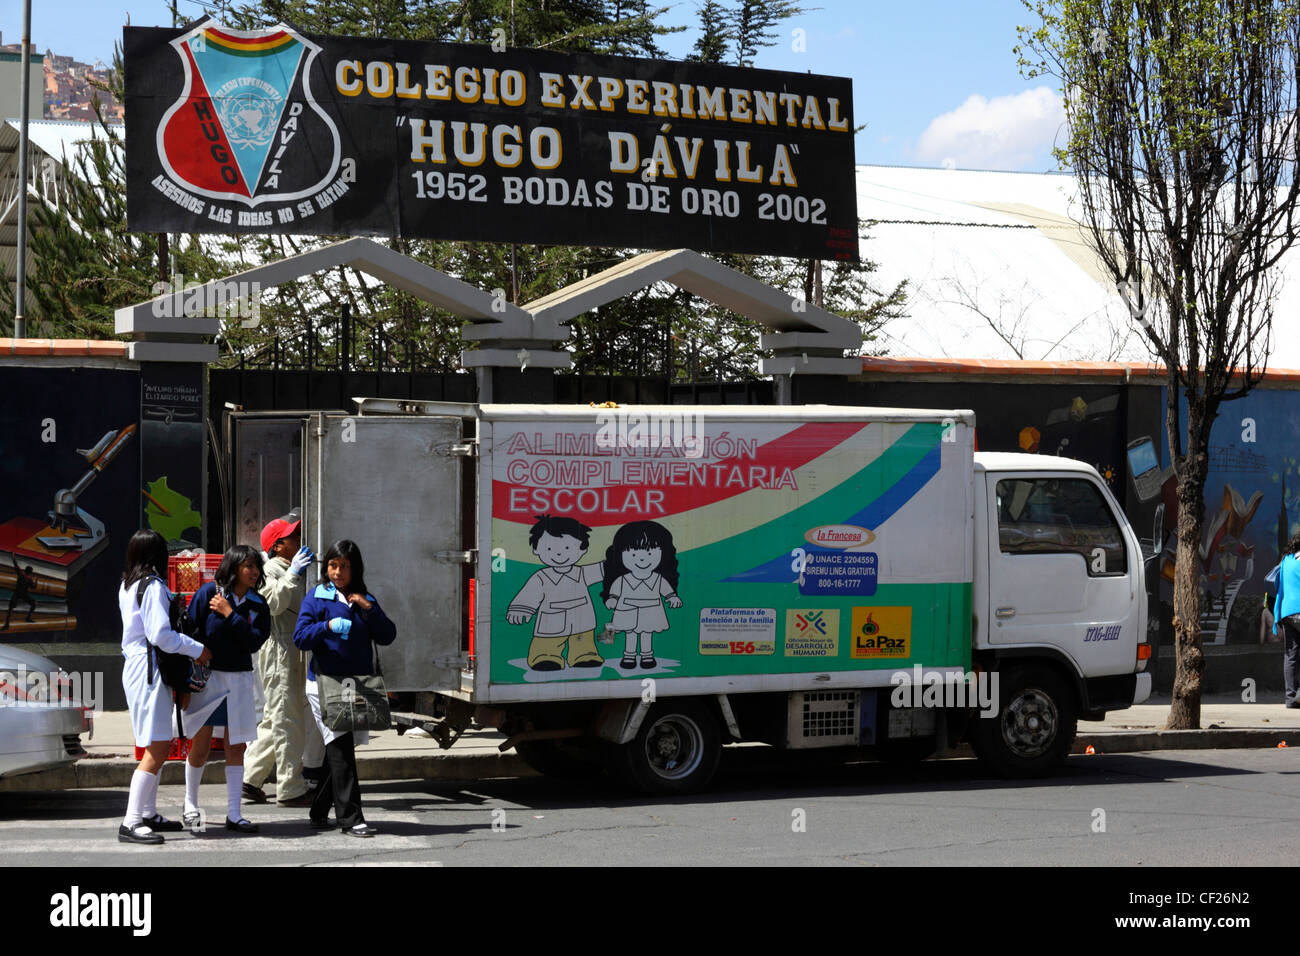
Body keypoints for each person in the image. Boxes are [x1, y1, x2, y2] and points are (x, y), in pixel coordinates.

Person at [293, 539, 396, 837]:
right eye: (333, 565)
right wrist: (326, 627)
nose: (338, 572)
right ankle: (350, 819)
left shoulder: (364, 598)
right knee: (340, 750)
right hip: (324, 684)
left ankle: (318, 810)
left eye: (344, 566)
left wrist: (369, 609)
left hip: (356, 686)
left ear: (355, 569)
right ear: (326, 567)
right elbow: (300, 638)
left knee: (339, 749)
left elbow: (388, 635)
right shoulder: (316, 597)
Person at [117, 529, 212, 845]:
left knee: (151, 743)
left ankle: (147, 813)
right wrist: (197, 648)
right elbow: (161, 635)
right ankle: (132, 821)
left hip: (137, 668)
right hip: (149, 670)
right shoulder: (154, 586)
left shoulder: (128, 585)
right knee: (158, 746)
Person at [181, 545, 270, 833]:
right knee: (201, 744)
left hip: (240, 680)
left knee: (236, 746)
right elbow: (189, 631)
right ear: (233, 568)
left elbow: (254, 641)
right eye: (248, 566)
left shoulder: (258, 604)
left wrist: (231, 613)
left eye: (257, 567)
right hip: (209, 680)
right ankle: (190, 805)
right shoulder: (209, 593)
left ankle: (235, 813)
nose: (254, 572)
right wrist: (188, 674)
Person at [241, 512, 317, 807]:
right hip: (280, 650)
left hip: (291, 649)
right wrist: (293, 574)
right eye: (292, 537)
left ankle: (251, 778)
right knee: (288, 722)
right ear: (278, 545)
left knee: (277, 718)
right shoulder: (269, 570)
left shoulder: (285, 567)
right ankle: (290, 787)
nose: (299, 541)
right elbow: (273, 604)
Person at [506, 514, 604, 670]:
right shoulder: (541, 577)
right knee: (547, 642)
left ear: (582, 549)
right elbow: (529, 594)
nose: (559, 554)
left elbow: (605, 569)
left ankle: (584, 655)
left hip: (582, 620)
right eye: (550, 548)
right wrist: (521, 609)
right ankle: (544, 657)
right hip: (551, 621)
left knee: (583, 640)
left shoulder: (582, 572)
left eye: (567, 548)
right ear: (536, 549)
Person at [601, 520, 683, 669]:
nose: (642, 558)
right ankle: (628, 656)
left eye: (650, 552)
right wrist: (612, 599)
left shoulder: (658, 578)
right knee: (630, 634)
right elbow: (614, 592)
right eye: (633, 553)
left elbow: (666, 590)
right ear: (620, 554)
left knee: (647, 633)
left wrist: (672, 597)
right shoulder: (623, 579)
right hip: (627, 611)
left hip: (650, 610)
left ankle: (647, 656)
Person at [1273, 531, 1300, 708]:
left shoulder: (1285, 561)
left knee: (1291, 656)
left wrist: (1277, 617)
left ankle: (1291, 698)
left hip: (1287, 613)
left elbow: (1278, 587)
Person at [3, 555, 37, 630]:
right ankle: (28, 618)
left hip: (17, 592)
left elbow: (15, 564)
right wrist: (36, 582)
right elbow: (33, 587)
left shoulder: (21, 573)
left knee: (10, 608)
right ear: (30, 572)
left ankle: (7, 624)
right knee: (34, 604)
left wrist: (13, 556)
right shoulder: (29, 578)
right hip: (24, 594)